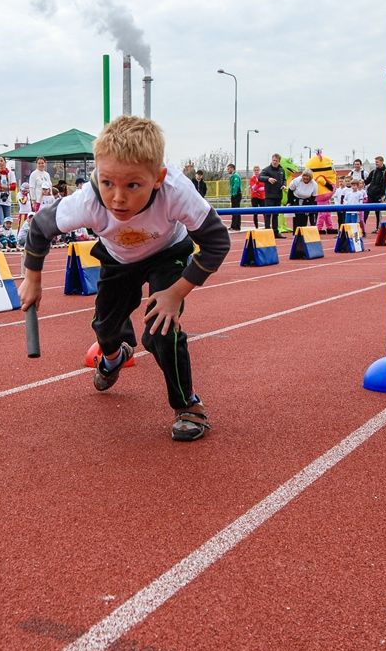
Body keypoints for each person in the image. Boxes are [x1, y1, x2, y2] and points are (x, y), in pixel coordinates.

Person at [19, 116, 231, 441]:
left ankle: (188, 406)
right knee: (104, 326)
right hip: (118, 259)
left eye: (132, 185)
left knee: (163, 330)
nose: (117, 198)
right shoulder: (88, 200)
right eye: (107, 183)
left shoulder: (176, 191)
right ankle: (116, 356)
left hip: (167, 253)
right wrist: (32, 280)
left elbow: (217, 241)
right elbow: (40, 228)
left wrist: (177, 292)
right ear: (96, 174)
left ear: (157, 178)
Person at [258, 154, 287, 237]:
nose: (274, 162)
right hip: (269, 196)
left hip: (278, 195)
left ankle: (275, 232)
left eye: (276, 161)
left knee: (276, 214)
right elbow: (260, 177)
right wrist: (268, 179)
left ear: (279, 161)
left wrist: (284, 185)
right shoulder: (266, 169)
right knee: (268, 214)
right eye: (273, 160)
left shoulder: (282, 170)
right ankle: (267, 231)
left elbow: (284, 180)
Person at [0, 156, 16, 225]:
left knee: (8, 221)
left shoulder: (11, 173)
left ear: (5, 162)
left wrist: (1, 187)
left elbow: (14, 187)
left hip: (7, 200)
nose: (0, 163)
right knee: (1, 221)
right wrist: (7, 187)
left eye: (2, 161)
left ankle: (7, 235)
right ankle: (1, 235)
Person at [365, 156, 386, 232]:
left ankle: (378, 228)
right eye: (375, 162)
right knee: (366, 210)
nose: (376, 164)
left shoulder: (385, 172)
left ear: (382, 161)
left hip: (378, 195)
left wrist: (383, 195)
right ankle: (362, 227)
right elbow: (367, 181)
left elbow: (385, 184)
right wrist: (359, 182)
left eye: (377, 162)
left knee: (378, 212)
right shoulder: (373, 172)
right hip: (370, 194)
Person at [227, 163, 243, 231]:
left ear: (232, 168)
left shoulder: (235, 176)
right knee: (236, 210)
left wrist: (233, 194)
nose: (227, 170)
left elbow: (235, 186)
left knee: (235, 210)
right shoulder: (234, 175)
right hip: (236, 194)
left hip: (236, 195)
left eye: (228, 169)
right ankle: (236, 226)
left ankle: (235, 226)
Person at [248, 165, 263, 230]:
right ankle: (256, 227)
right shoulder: (252, 178)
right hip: (254, 197)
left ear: (259, 171)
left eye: (257, 170)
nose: (256, 171)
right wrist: (257, 184)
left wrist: (257, 188)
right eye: (255, 170)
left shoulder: (262, 178)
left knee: (265, 211)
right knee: (255, 212)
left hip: (262, 197)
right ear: (253, 171)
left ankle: (267, 226)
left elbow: (264, 188)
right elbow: (253, 188)